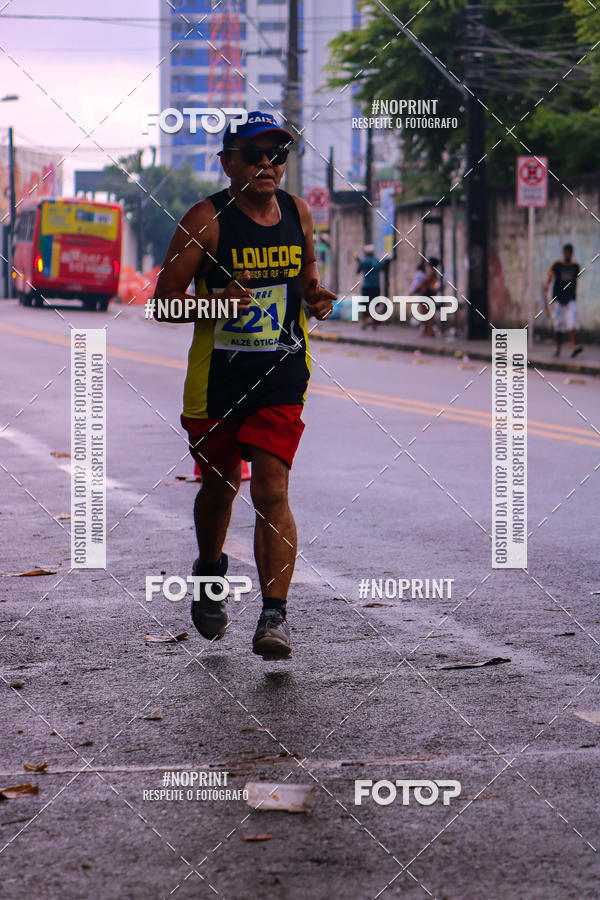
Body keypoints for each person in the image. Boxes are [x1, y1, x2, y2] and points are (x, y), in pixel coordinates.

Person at [154, 111, 336, 660]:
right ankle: (211, 572)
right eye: (255, 154)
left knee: (272, 488)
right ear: (228, 161)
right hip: (217, 382)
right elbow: (162, 302)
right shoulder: (205, 221)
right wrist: (215, 301)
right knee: (219, 487)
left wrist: (315, 297)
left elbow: (305, 282)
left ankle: (274, 616)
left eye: (277, 155)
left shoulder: (299, 213)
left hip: (281, 372)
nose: (267, 164)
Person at [543, 243, 583, 358]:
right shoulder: (557, 265)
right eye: (566, 252)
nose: (567, 254)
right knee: (558, 326)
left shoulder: (576, 266)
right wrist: (547, 285)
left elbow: (575, 280)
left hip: (571, 300)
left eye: (569, 253)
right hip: (558, 300)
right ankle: (558, 348)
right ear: (563, 253)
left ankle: (572, 347)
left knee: (571, 323)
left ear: (571, 254)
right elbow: (550, 278)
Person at [356, 244, 383, 329]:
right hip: (376, 286)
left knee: (365, 305)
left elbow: (358, 271)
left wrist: (358, 261)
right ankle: (374, 323)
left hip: (367, 286)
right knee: (374, 305)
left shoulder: (365, 261)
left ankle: (364, 322)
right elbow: (382, 268)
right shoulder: (377, 261)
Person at [416, 256, 441, 337]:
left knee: (428, 315)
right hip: (427, 294)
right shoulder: (432, 272)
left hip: (428, 294)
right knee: (426, 314)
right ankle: (427, 331)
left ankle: (429, 332)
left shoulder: (432, 273)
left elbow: (425, 282)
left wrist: (418, 286)